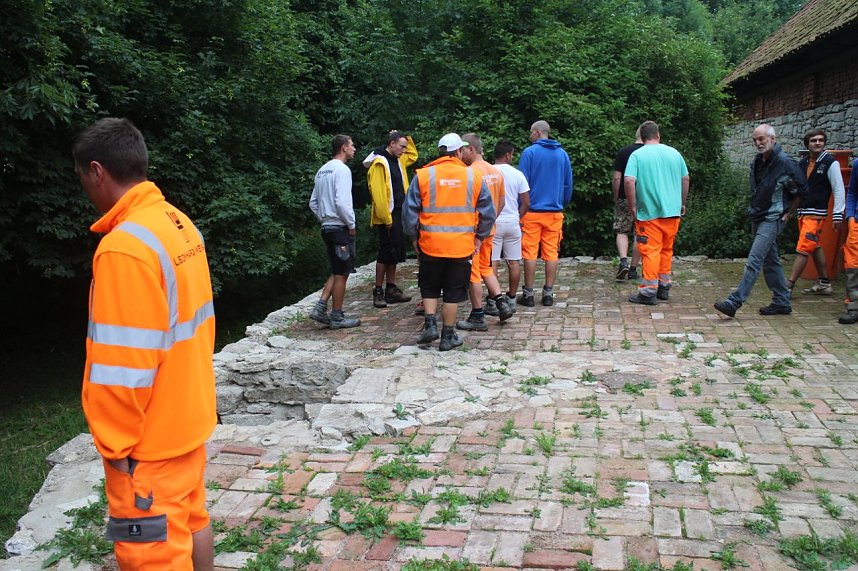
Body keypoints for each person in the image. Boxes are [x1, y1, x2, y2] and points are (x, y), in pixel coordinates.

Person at [74, 118, 216, 569]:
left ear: (97, 171)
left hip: (148, 447)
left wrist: (116, 448)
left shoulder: (124, 248)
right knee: (193, 519)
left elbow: (123, 364)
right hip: (188, 419)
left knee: (150, 554)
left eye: (81, 177)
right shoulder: (176, 222)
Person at [402, 133, 496, 351]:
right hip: (461, 247)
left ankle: (430, 325)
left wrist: (414, 237)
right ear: (459, 151)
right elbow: (488, 213)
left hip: (430, 245)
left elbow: (409, 213)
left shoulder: (423, 175)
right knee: (452, 292)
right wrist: (480, 237)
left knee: (429, 286)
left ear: (441, 152)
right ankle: (447, 336)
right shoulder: (473, 176)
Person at [714, 124, 807, 318]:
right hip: (758, 215)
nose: (758, 143)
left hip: (773, 218)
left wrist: (788, 214)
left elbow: (801, 190)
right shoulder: (757, 162)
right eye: (755, 140)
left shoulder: (785, 162)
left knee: (754, 260)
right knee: (770, 260)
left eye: (761, 139)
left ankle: (734, 302)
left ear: (773, 139)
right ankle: (781, 301)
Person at [625, 121, 690, 305]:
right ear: (658, 135)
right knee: (666, 250)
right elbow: (685, 178)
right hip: (672, 212)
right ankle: (664, 286)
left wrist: (633, 206)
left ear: (642, 137)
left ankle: (648, 292)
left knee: (651, 251)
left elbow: (629, 181)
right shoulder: (674, 153)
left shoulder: (637, 155)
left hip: (649, 213)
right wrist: (682, 203)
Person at [456, 133, 514, 331]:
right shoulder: (495, 171)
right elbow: (502, 202)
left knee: (473, 273)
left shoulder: (470, 173)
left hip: (473, 232)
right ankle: (501, 302)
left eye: (462, 150)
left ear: (470, 149)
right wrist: (489, 222)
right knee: (486, 267)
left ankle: (477, 315)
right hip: (489, 229)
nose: (459, 153)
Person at [517, 120, 573, 307]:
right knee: (551, 253)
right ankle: (548, 293)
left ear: (538, 132)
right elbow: (568, 184)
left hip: (531, 212)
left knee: (530, 253)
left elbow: (522, 184)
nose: (530, 136)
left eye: (531, 132)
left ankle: (528, 294)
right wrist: (561, 202)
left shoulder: (529, 153)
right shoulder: (562, 154)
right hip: (554, 212)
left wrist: (520, 208)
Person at [308, 134, 361, 329]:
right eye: (352, 145)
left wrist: (324, 218)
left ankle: (320, 307)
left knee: (337, 269)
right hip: (339, 227)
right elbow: (342, 202)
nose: (354, 149)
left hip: (327, 227)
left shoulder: (322, 170)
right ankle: (337, 316)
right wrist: (351, 225)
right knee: (342, 273)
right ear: (344, 147)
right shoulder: (342, 170)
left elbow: (313, 203)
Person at [785, 128, 845, 295]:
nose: (818, 143)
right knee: (814, 246)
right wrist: (790, 211)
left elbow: (839, 189)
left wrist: (838, 214)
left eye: (820, 140)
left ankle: (788, 286)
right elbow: (797, 189)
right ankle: (824, 283)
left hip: (816, 213)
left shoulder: (830, 162)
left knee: (803, 248)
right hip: (803, 212)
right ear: (807, 144)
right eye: (813, 140)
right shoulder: (803, 163)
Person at [363, 130, 418, 308]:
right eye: (402, 146)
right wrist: (386, 219)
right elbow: (378, 194)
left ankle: (391, 288)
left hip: (400, 212)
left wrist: (406, 137)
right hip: (388, 214)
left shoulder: (399, 158)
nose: (404, 150)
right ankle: (378, 290)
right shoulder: (379, 163)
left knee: (395, 252)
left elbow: (413, 155)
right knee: (385, 252)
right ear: (392, 144)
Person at [487, 139, 530, 315]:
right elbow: (526, 202)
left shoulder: (488, 172)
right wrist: (518, 216)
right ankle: (511, 297)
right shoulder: (517, 174)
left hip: (493, 222)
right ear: (507, 155)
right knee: (514, 261)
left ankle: (493, 299)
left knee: (493, 262)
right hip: (512, 221)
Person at [612, 128, 644, 280]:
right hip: (644, 198)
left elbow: (617, 177)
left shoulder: (624, 152)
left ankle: (623, 261)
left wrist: (616, 195)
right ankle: (633, 269)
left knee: (622, 230)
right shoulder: (649, 153)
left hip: (624, 196)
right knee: (640, 232)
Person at [841, 157, 858, 325]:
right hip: (856, 222)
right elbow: (852, 192)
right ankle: (854, 307)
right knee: (853, 265)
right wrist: (850, 216)